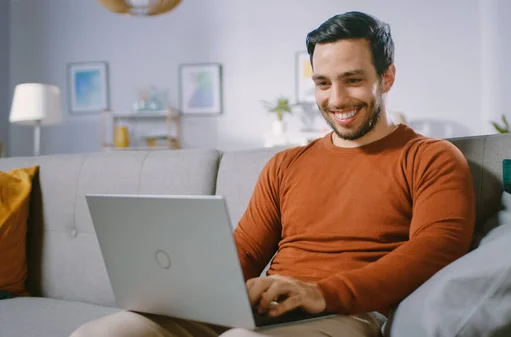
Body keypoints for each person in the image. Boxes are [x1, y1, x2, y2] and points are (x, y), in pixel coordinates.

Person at [71, 10, 475, 337]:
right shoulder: (286, 164)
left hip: (350, 314)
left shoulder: (431, 157)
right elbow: (246, 250)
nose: (336, 99)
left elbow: (436, 249)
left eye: (352, 80)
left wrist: (321, 292)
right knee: (104, 332)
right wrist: (188, 290)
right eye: (322, 83)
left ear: (386, 77)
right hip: (264, 307)